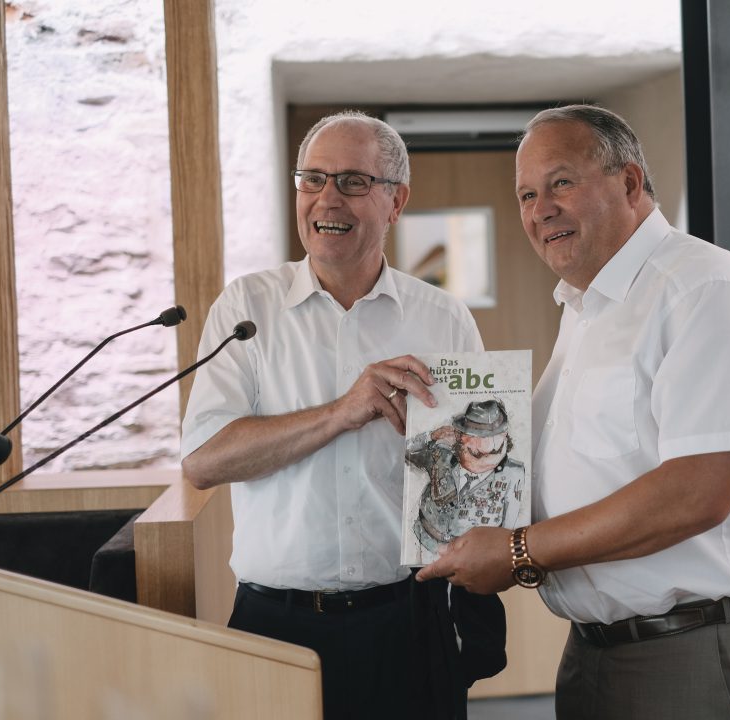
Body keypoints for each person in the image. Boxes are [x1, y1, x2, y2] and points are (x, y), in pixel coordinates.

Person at [418, 104, 730, 719]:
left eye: (561, 183)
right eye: (525, 194)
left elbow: (696, 493)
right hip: (599, 649)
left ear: (628, 182)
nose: (540, 209)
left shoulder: (703, 290)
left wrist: (517, 550)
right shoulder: (587, 307)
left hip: (693, 649)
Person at [180, 111, 502, 720]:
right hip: (275, 628)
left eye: (354, 181)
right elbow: (204, 461)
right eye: (313, 179)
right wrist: (342, 412)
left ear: (396, 201)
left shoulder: (444, 318)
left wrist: (439, 449)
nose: (328, 198)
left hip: (408, 623)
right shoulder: (247, 308)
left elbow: (477, 484)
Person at [406, 398, 525, 553]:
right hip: (424, 542)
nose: (485, 443)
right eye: (475, 435)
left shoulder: (513, 472)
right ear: (461, 436)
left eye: (492, 436)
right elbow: (406, 451)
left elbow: (508, 529)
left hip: (472, 557)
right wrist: (432, 436)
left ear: (504, 437)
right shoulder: (441, 455)